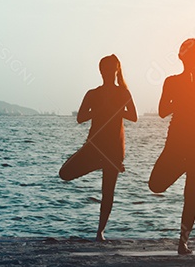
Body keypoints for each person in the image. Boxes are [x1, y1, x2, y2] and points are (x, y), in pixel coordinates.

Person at [148, 38, 195, 254]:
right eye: (186, 54)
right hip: (176, 143)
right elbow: (162, 111)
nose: (190, 58)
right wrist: (179, 97)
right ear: (181, 57)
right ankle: (184, 166)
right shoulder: (171, 81)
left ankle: (183, 242)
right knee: (155, 184)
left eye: (194, 54)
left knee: (191, 195)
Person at [59, 54, 138, 241]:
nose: (108, 72)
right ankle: (99, 163)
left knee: (107, 192)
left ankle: (100, 232)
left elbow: (134, 116)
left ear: (116, 71)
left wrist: (116, 109)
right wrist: (99, 110)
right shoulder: (93, 94)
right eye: (105, 69)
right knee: (64, 173)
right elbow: (80, 118)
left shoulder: (123, 93)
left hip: (114, 149)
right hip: (94, 146)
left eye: (111, 69)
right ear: (100, 71)